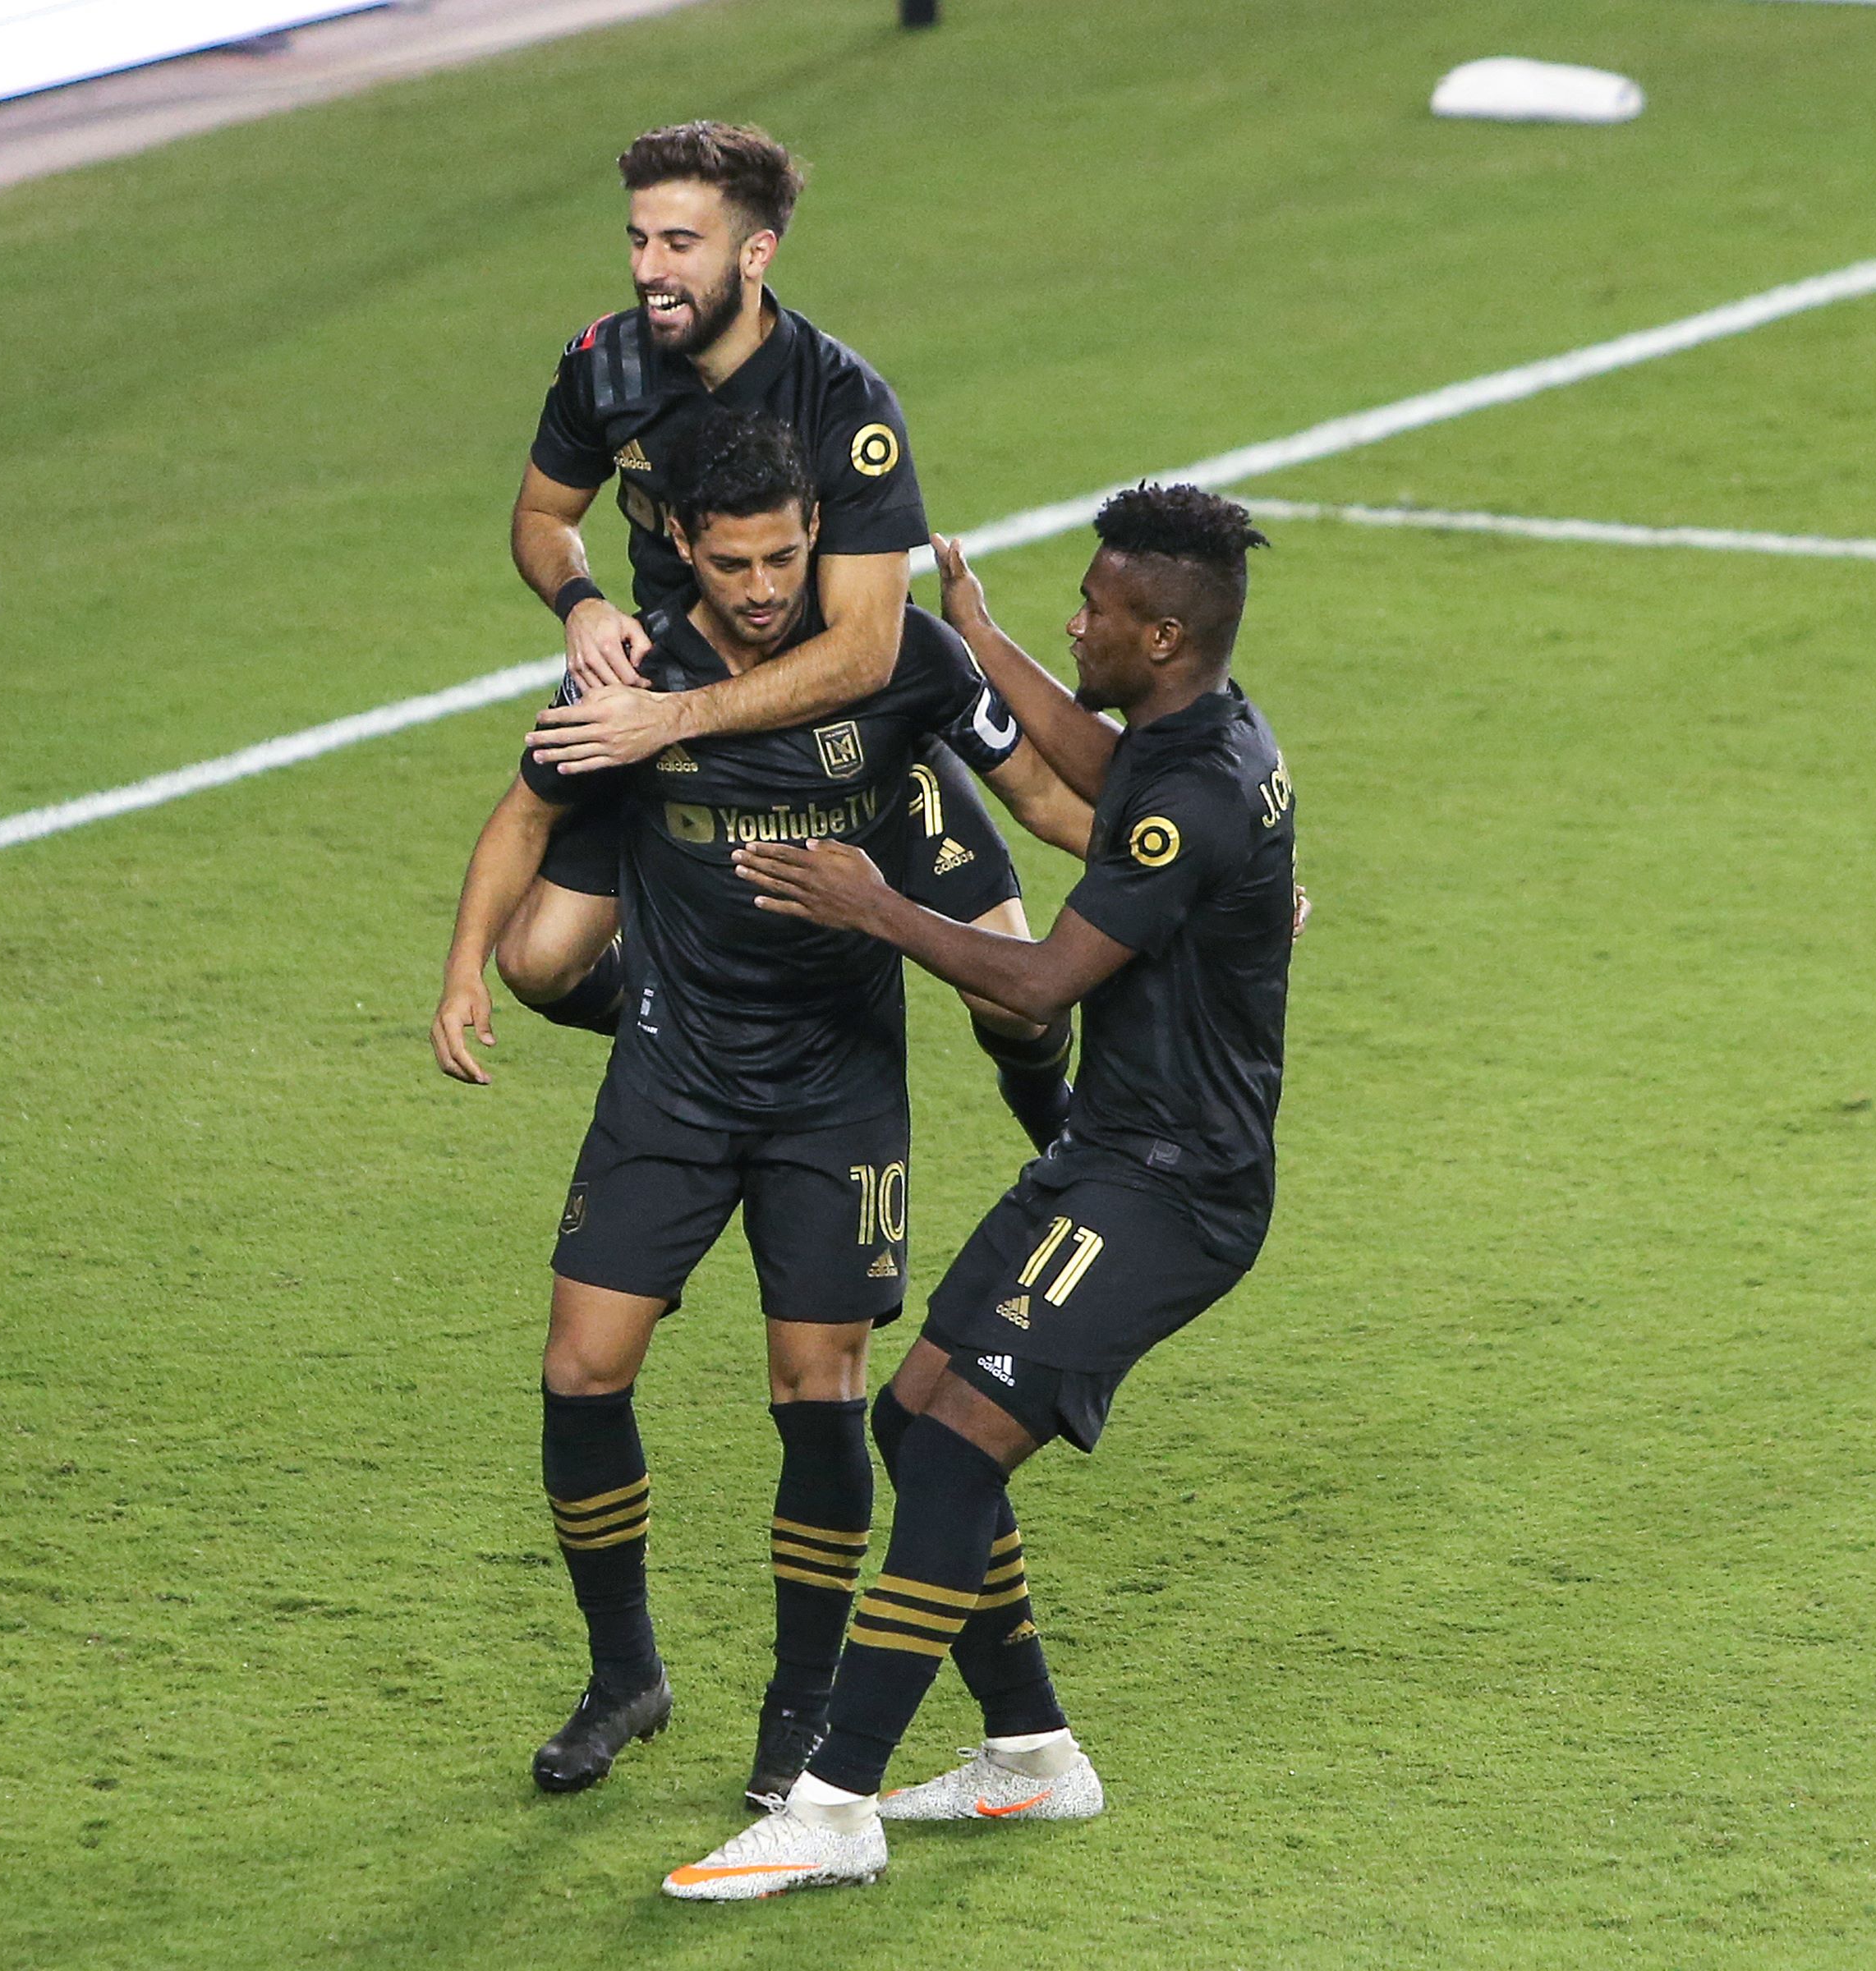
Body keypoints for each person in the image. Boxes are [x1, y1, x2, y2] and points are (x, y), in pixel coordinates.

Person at [434, 414, 1092, 1809]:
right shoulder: (637, 669)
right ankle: (626, 1678)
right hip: (671, 1078)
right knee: (580, 1368)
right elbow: (525, 812)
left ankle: (795, 1721)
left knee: (821, 1393)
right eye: (733, 561)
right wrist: (460, 975)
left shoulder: (900, 655)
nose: (762, 586)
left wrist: (1213, 866)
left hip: (834, 1092)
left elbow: (1040, 792)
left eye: (787, 555)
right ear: (682, 544)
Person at [664, 485, 1294, 1900]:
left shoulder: (1190, 801)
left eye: (1099, 609)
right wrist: (988, 639)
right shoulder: (1203, 734)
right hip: (1112, 1157)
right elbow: (1093, 755)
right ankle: (1029, 1754)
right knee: (912, 1417)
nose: (1083, 618)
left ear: (1167, 632)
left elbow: (1039, 982)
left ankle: (830, 1806)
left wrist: (872, 903)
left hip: (1173, 1192)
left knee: (956, 1452)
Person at [500, 118, 1078, 1149]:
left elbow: (865, 650)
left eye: (681, 245)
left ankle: (1056, 1128)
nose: (649, 271)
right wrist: (581, 601)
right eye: (639, 241)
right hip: (672, 728)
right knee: (540, 962)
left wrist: (668, 717)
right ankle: (677, 1025)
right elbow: (543, 518)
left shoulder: (842, 405)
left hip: (842, 737)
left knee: (1020, 1003)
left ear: (754, 254)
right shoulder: (606, 368)